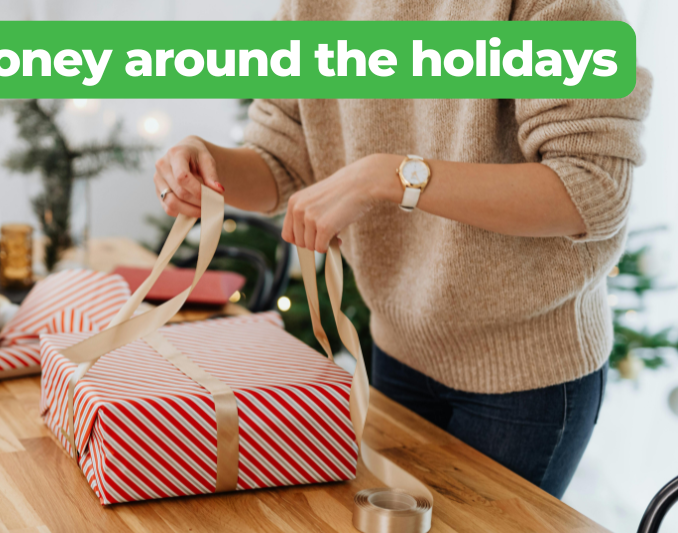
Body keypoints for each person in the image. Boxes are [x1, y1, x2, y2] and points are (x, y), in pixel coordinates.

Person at [152, 0, 652, 498]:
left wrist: (388, 177)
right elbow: (280, 159)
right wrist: (209, 168)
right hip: (396, 348)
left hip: (527, 381)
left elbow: (592, 188)